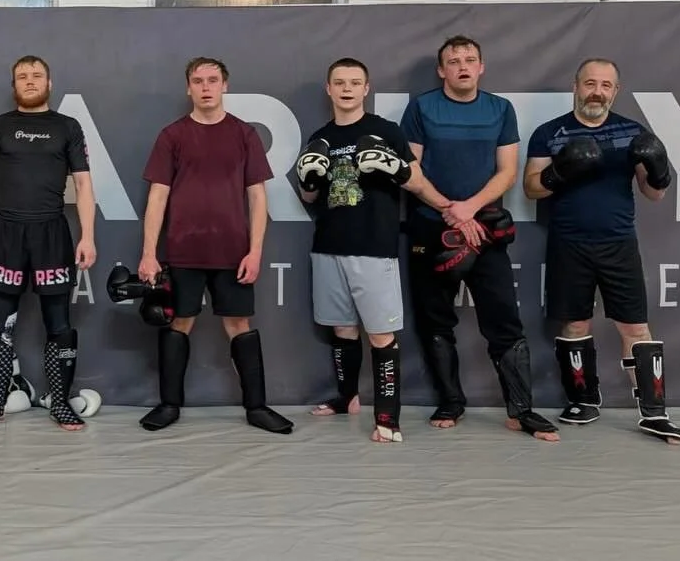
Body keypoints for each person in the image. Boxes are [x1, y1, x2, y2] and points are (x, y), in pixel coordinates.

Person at [399, 35, 559, 441]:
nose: (462, 66)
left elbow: (507, 172)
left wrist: (468, 209)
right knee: (435, 319)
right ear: (442, 70)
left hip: (484, 228)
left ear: (482, 67)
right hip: (431, 226)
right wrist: (449, 211)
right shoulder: (421, 107)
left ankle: (521, 409)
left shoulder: (499, 109)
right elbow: (411, 171)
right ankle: (451, 401)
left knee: (503, 317)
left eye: (470, 59)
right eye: (454, 61)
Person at [523, 58, 680, 444]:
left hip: (618, 242)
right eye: (590, 83)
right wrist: (560, 171)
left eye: (605, 85)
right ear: (576, 86)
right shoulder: (550, 133)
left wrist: (659, 167)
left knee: (634, 327)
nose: (597, 91)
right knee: (575, 323)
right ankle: (583, 399)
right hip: (568, 241)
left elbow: (655, 193)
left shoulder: (632, 133)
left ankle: (654, 412)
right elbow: (532, 188)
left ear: (616, 90)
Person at [296, 57, 458, 443]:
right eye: (340, 82)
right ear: (329, 89)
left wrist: (446, 207)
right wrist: (308, 177)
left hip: (373, 245)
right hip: (328, 245)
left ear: (366, 89)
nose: (347, 88)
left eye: (355, 82)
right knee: (342, 328)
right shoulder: (320, 135)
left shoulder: (385, 131)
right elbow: (309, 194)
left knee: (381, 334)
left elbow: (416, 181)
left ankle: (388, 418)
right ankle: (346, 397)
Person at [137, 57, 293, 435]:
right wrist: (148, 253)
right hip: (183, 249)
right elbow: (157, 198)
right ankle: (169, 404)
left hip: (233, 253)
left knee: (239, 323)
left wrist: (255, 251)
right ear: (188, 88)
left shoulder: (244, 135)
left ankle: (256, 407)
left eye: (212, 80)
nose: (205, 87)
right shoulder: (172, 136)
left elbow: (257, 199)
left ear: (225, 85)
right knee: (179, 322)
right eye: (198, 81)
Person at [0, 55, 97, 431]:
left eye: (37, 76)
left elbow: (84, 184)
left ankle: (62, 405)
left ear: (50, 84)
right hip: (5, 233)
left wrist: (88, 236)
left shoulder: (68, 127)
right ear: (14, 86)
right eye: (22, 76)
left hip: (52, 233)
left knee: (59, 323)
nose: (30, 81)